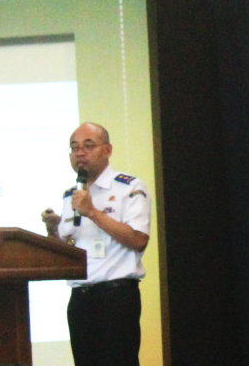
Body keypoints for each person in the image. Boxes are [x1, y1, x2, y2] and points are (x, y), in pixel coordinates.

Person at [42, 122, 151, 366]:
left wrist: (92, 212)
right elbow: (68, 251)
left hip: (115, 298)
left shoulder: (129, 187)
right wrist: (53, 230)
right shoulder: (70, 196)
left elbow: (138, 239)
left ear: (108, 150)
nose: (80, 153)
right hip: (80, 300)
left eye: (88, 146)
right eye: (74, 147)